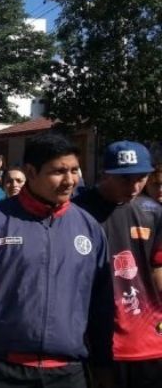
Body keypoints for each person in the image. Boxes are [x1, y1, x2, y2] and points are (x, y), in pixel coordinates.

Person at [0, 133, 112, 388]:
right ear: (31, 171)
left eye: (75, 170)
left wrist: (103, 366)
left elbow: (102, 305)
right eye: (59, 171)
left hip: (69, 373)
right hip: (1, 371)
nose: (70, 180)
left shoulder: (89, 228)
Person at [72, 141, 162, 388]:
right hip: (97, 341)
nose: (134, 187)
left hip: (150, 341)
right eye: (124, 179)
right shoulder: (77, 212)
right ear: (104, 174)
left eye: (141, 178)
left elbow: (158, 267)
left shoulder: (154, 211)